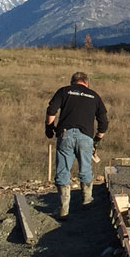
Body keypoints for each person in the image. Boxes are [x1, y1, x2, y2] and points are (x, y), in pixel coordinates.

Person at [45, 72, 108, 220]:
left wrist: (48, 128)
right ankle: (86, 202)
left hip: (65, 134)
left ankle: (63, 209)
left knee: (63, 170)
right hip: (85, 137)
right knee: (85, 168)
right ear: (87, 83)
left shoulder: (64, 91)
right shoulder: (94, 96)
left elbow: (51, 110)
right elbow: (104, 122)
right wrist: (97, 139)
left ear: (72, 82)